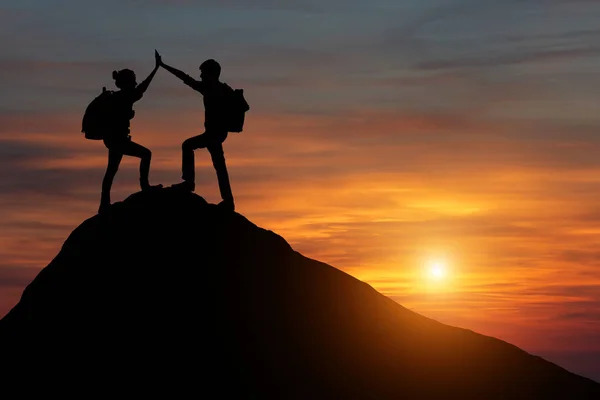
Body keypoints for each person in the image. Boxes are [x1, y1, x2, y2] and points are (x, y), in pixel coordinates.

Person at [155, 51, 235, 211]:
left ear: (210, 73)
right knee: (219, 165)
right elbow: (186, 78)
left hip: (214, 134)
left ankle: (189, 183)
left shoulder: (211, 88)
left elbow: (185, 78)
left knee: (189, 146)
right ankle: (228, 201)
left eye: (203, 73)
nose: (201, 76)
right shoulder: (223, 89)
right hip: (217, 133)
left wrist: (163, 66)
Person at [99, 51, 163, 214]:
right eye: (132, 81)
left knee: (111, 170)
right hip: (118, 140)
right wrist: (156, 68)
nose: (135, 83)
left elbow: (140, 89)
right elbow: (143, 87)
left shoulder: (116, 97)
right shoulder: (125, 97)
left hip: (113, 139)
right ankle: (145, 186)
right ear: (127, 83)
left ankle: (104, 203)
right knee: (146, 154)